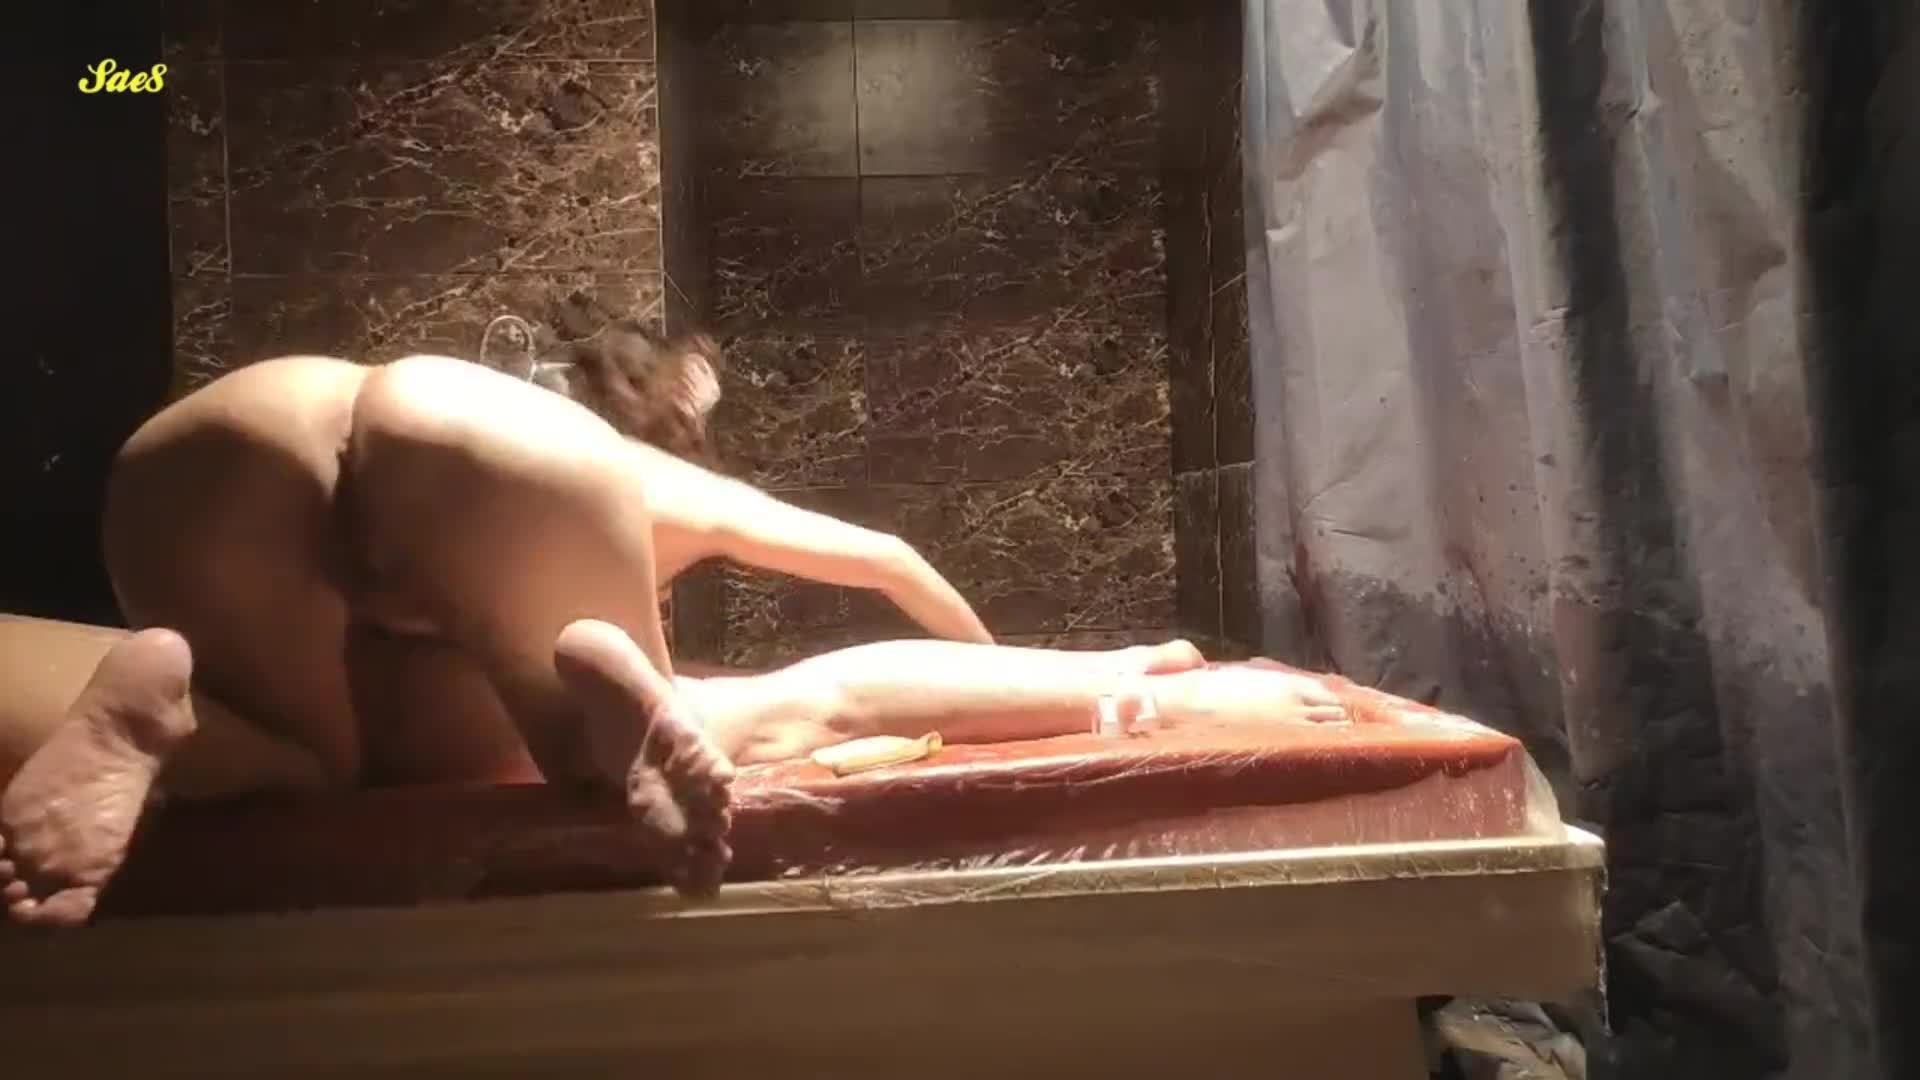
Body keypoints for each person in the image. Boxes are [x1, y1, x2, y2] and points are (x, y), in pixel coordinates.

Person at [0, 326, 1346, 927]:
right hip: (491, 459)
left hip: (199, 460)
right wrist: (1096, 682)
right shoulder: (649, 481)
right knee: (670, 726)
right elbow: (877, 591)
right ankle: (600, 712)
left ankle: (159, 697)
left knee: (304, 759)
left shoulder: (422, 609)